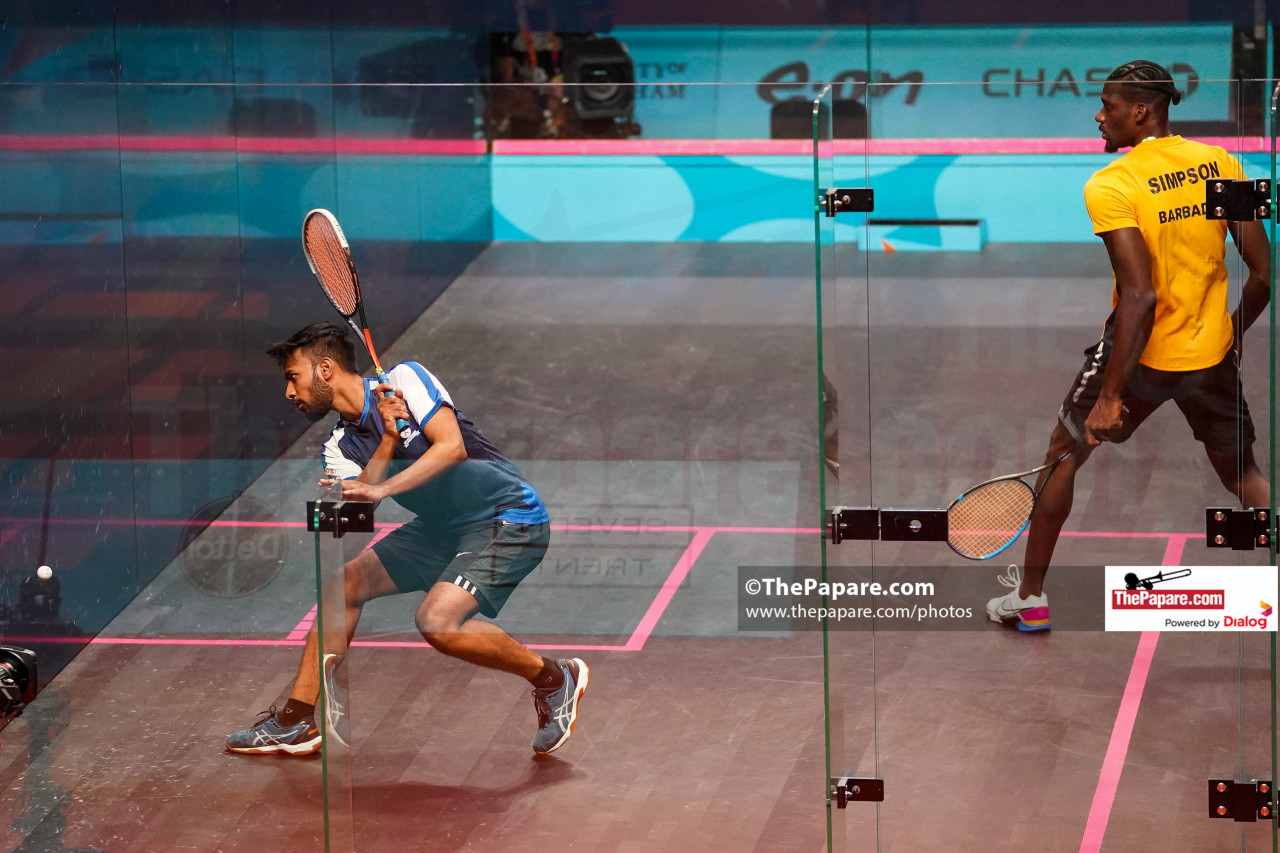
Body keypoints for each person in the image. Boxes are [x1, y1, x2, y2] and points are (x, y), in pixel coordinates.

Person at [986, 59, 1272, 631]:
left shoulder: (1112, 184)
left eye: (1108, 105)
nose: (1099, 116)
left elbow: (1140, 296)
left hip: (1137, 358)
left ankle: (1032, 599)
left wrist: (1112, 394)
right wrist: (1228, 336)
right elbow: (1264, 275)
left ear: (1140, 111)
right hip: (1209, 354)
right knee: (1244, 475)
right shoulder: (1219, 162)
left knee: (1061, 457)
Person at [226, 322, 587, 754]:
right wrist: (388, 440)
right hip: (441, 529)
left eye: (292, 376)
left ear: (325, 369)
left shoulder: (405, 379)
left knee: (437, 622)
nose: (288, 392)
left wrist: (381, 486)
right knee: (344, 585)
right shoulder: (339, 446)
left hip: (506, 516)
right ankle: (295, 721)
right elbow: (348, 519)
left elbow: (450, 446)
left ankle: (554, 678)